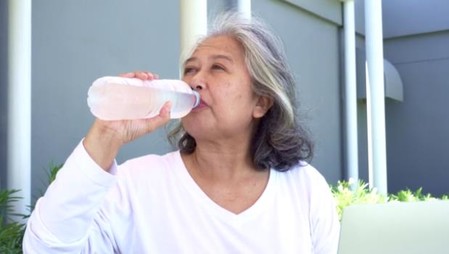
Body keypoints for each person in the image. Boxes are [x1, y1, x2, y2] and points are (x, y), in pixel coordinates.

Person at [23, 12, 339, 253]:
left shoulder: (304, 188)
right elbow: (44, 247)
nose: (195, 81)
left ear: (261, 101)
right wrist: (107, 133)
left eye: (218, 67)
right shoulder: (135, 185)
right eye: (190, 69)